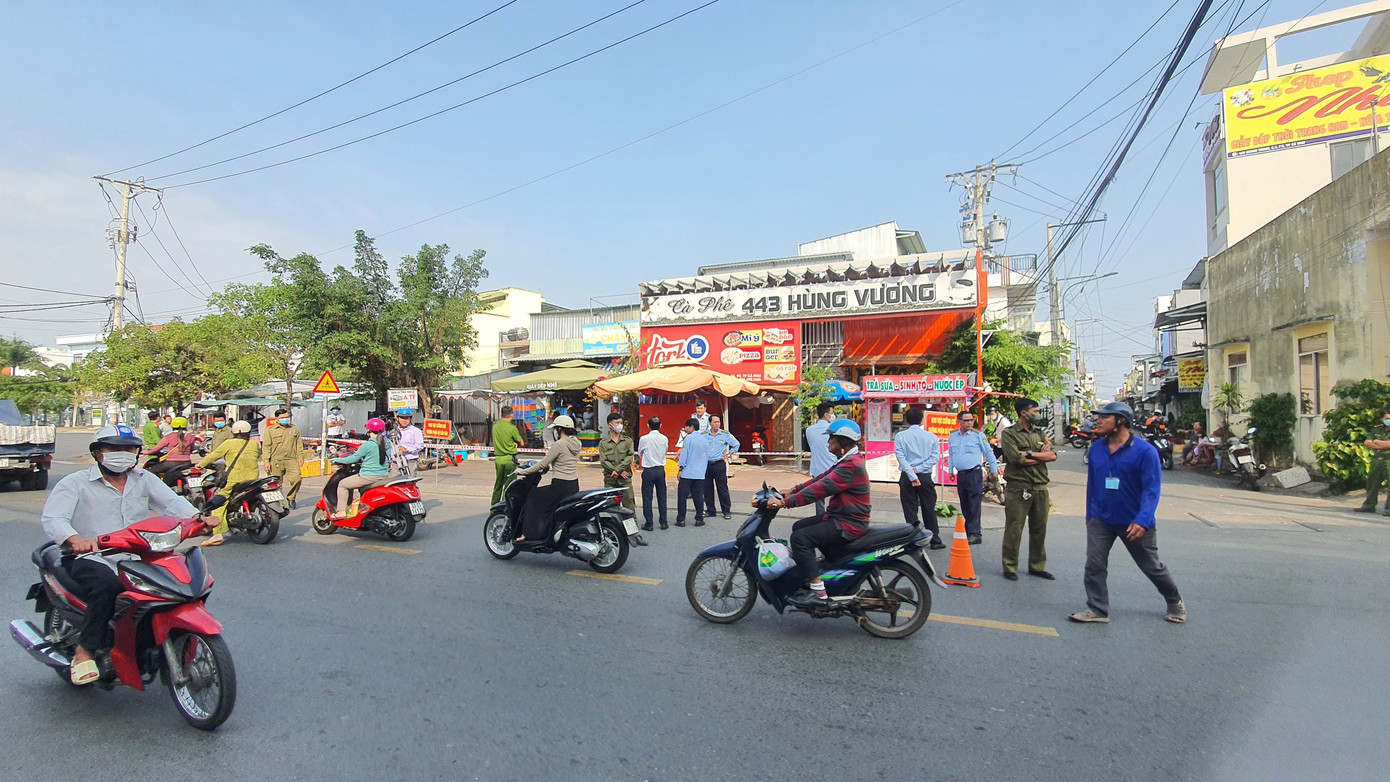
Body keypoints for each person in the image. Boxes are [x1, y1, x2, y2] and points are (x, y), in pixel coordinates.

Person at [41, 425, 205, 685]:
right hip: (90, 556)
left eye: (129, 448)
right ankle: (85, 652)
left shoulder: (144, 479)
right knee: (109, 587)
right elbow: (54, 519)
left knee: (175, 584)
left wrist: (198, 519)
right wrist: (76, 539)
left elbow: (172, 503)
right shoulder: (75, 483)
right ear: (97, 453)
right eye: (114, 448)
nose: (123, 453)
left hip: (138, 556)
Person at [1069, 402, 1185, 625]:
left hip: (1135, 521)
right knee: (1094, 564)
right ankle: (1097, 609)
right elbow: (1092, 484)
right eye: (1098, 417)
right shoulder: (1096, 449)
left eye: (1105, 417)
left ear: (1121, 421)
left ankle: (1174, 600)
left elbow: (1152, 490)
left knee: (1151, 566)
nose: (1099, 421)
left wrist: (1143, 520)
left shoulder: (1145, 451)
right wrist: (1090, 514)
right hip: (1101, 518)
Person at [755, 419, 870, 607]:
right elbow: (822, 478)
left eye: (831, 438)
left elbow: (820, 489)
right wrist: (793, 489)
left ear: (843, 440)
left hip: (848, 522)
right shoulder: (847, 460)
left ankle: (818, 592)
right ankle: (814, 571)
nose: (828, 442)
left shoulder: (851, 465)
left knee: (800, 539)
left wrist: (785, 502)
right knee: (798, 526)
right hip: (841, 516)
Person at [999, 398, 1058, 580]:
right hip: (1018, 487)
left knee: (1040, 529)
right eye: (1035, 412)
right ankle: (1010, 567)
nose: (1038, 415)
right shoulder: (1009, 434)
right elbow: (1016, 459)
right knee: (1014, 528)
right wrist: (1041, 456)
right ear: (1024, 413)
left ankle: (1037, 566)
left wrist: (1030, 454)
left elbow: (1053, 455)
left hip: (1040, 487)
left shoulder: (1039, 433)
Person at [515, 414, 581, 542]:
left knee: (533, 496)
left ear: (559, 430)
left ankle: (528, 533)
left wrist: (523, 471)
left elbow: (542, 464)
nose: (555, 431)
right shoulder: (577, 443)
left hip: (559, 486)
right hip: (573, 485)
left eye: (556, 429)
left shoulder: (559, 444)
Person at [196, 420, 262, 545]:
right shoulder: (253, 444)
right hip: (253, 478)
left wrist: (200, 465)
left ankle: (217, 534)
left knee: (219, 501)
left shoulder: (229, 443)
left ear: (234, 432)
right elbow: (258, 457)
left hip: (234, 479)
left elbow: (214, 455)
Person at [947, 409, 998, 548]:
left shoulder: (978, 435)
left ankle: (975, 533)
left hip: (974, 473)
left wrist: (994, 470)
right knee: (964, 502)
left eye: (971, 420)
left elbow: (989, 452)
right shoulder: (953, 436)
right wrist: (950, 470)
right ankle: (968, 528)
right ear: (959, 421)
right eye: (966, 420)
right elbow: (951, 454)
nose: (970, 423)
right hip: (961, 474)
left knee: (974, 502)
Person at [894, 409, 941, 545]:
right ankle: (934, 539)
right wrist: (918, 469)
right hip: (925, 475)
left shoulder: (900, 436)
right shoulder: (931, 437)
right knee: (929, 507)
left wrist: (911, 472)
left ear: (906, 420)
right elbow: (934, 458)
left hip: (906, 476)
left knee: (910, 509)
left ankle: (913, 539)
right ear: (922, 420)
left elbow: (900, 457)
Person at [330, 418, 392, 519]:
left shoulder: (368, 444)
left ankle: (341, 511)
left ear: (369, 430)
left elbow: (353, 459)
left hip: (368, 476)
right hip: (383, 475)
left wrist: (336, 460)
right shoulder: (387, 442)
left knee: (342, 484)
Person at [599, 412, 645, 546]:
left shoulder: (627, 441)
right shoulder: (603, 443)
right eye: (617, 423)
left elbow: (629, 457)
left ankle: (634, 534)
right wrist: (617, 472)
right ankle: (615, 534)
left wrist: (618, 471)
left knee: (629, 507)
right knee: (611, 508)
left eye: (621, 422)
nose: (620, 425)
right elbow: (603, 461)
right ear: (610, 425)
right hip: (610, 480)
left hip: (624, 480)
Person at [261, 408, 303, 509]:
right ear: (277, 419)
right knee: (276, 484)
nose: (285, 419)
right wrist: (266, 462)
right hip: (275, 460)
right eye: (282, 417)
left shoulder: (293, 429)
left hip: (291, 459)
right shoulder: (270, 431)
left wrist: (300, 456)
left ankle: (291, 497)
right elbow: (266, 447)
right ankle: (281, 505)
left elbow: (299, 443)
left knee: (297, 478)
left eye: (287, 417)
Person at [702, 413, 740, 519]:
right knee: (707, 488)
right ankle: (710, 510)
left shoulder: (725, 434)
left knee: (722, 488)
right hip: (707, 465)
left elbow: (736, 444)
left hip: (719, 464)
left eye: (718, 422)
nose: (717, 424)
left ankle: (726, 511)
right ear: (710, 423)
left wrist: (729, 455)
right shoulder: (704, 435)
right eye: (715, 422)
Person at [675, 417, 711, 527]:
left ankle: (681, 519)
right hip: (700, 473)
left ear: (692, 427)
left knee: (682, 497)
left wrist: (680, 469)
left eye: (686, 426)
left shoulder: (688, 439)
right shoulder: (705, 440)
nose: (685, 428)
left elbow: (684, 456)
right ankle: (699, 518)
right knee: (699, 496)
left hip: (687, 473)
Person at [638, 416, 669, 531]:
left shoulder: (644, 439)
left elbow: (640, 453)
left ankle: (649, 523)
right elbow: (665, 450)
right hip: (660, 470)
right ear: (660, 425)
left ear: (648, 425)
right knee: (662, 497)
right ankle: (664, 522)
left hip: (649, 470)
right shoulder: (664, 438)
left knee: (647, 497)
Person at [804, 402, 836, 515]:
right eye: (832, 413)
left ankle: (820, 518)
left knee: (818, 498)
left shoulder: (809, 430)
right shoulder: (834, 429)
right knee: (836, 496)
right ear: (826, 415)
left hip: (816, 469)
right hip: (833, 467)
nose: (833, 415)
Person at [146, 416, 197, 486]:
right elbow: (191, 450)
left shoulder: (168, 437)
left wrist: (147, 452)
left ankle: (158, 487)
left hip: (171, 463)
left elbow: (157, 448)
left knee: (151, 471)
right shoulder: (191, 437)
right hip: (186, 463)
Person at [490, 405, 525, 505]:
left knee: (498, 484)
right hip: (509, 459)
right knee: (509, 485)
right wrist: (515, 444)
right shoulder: (512, 428)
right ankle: (505, 506)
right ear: (511, 415)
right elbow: (522, 443)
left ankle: (494, 506)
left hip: (498, 459)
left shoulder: (495, 427)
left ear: (501, 414)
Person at [1359, 409, 1390, 514]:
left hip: (1389, 460)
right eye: (1387, 418)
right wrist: (1383, 444)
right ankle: (1369, 505)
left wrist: (1377, 442)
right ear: (1382, 419)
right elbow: (1367, 443)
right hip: (1377, 460)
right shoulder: (1376, 430)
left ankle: (1389, 509)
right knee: (1372, 483)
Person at [394, 408, 425, 477]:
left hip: (410, 462)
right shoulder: (394, 431)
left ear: (410, 419)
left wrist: (407, 450)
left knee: (410, 481)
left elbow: (420, 446)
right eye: (402, 418)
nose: (404, 420)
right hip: (396, 463)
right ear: (398, 419)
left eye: (406, 418)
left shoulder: (416, 431)